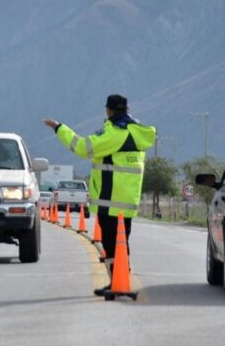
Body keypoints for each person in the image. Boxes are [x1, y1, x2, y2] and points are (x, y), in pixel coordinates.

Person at [43, 94, 156, 296]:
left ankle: (118, 283)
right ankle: (119, 280)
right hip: (127, 201)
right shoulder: (137, 132)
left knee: (112, 245)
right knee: (121, 243)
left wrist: (59, 128)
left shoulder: (115, 134)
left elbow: (82, 147)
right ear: (127, 110)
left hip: (110, 199)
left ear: (109, 110)